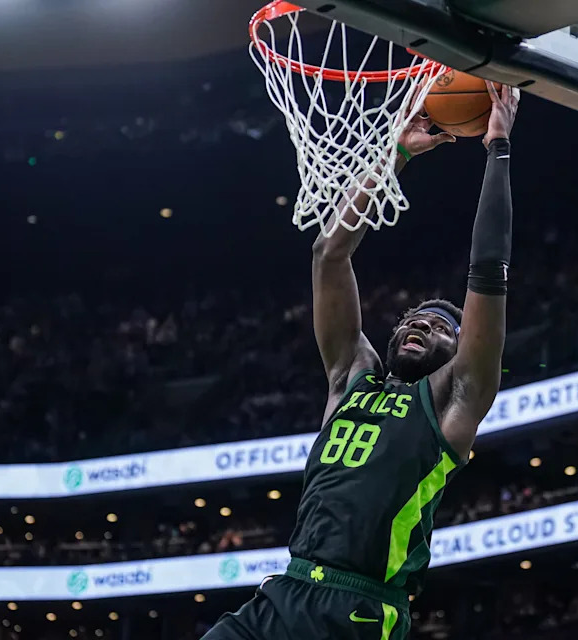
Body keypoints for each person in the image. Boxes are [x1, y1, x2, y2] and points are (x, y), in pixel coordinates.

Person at [201, 81, 520, 639]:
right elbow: (329, 253)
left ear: (458, 350)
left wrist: (497, 148)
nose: (422, 322)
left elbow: (488, 267)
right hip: (284, 593)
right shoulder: (351, 377)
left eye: (443, 326)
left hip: (360, 611)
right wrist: (392, 155)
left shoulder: (453, 397)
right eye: (414, 317)